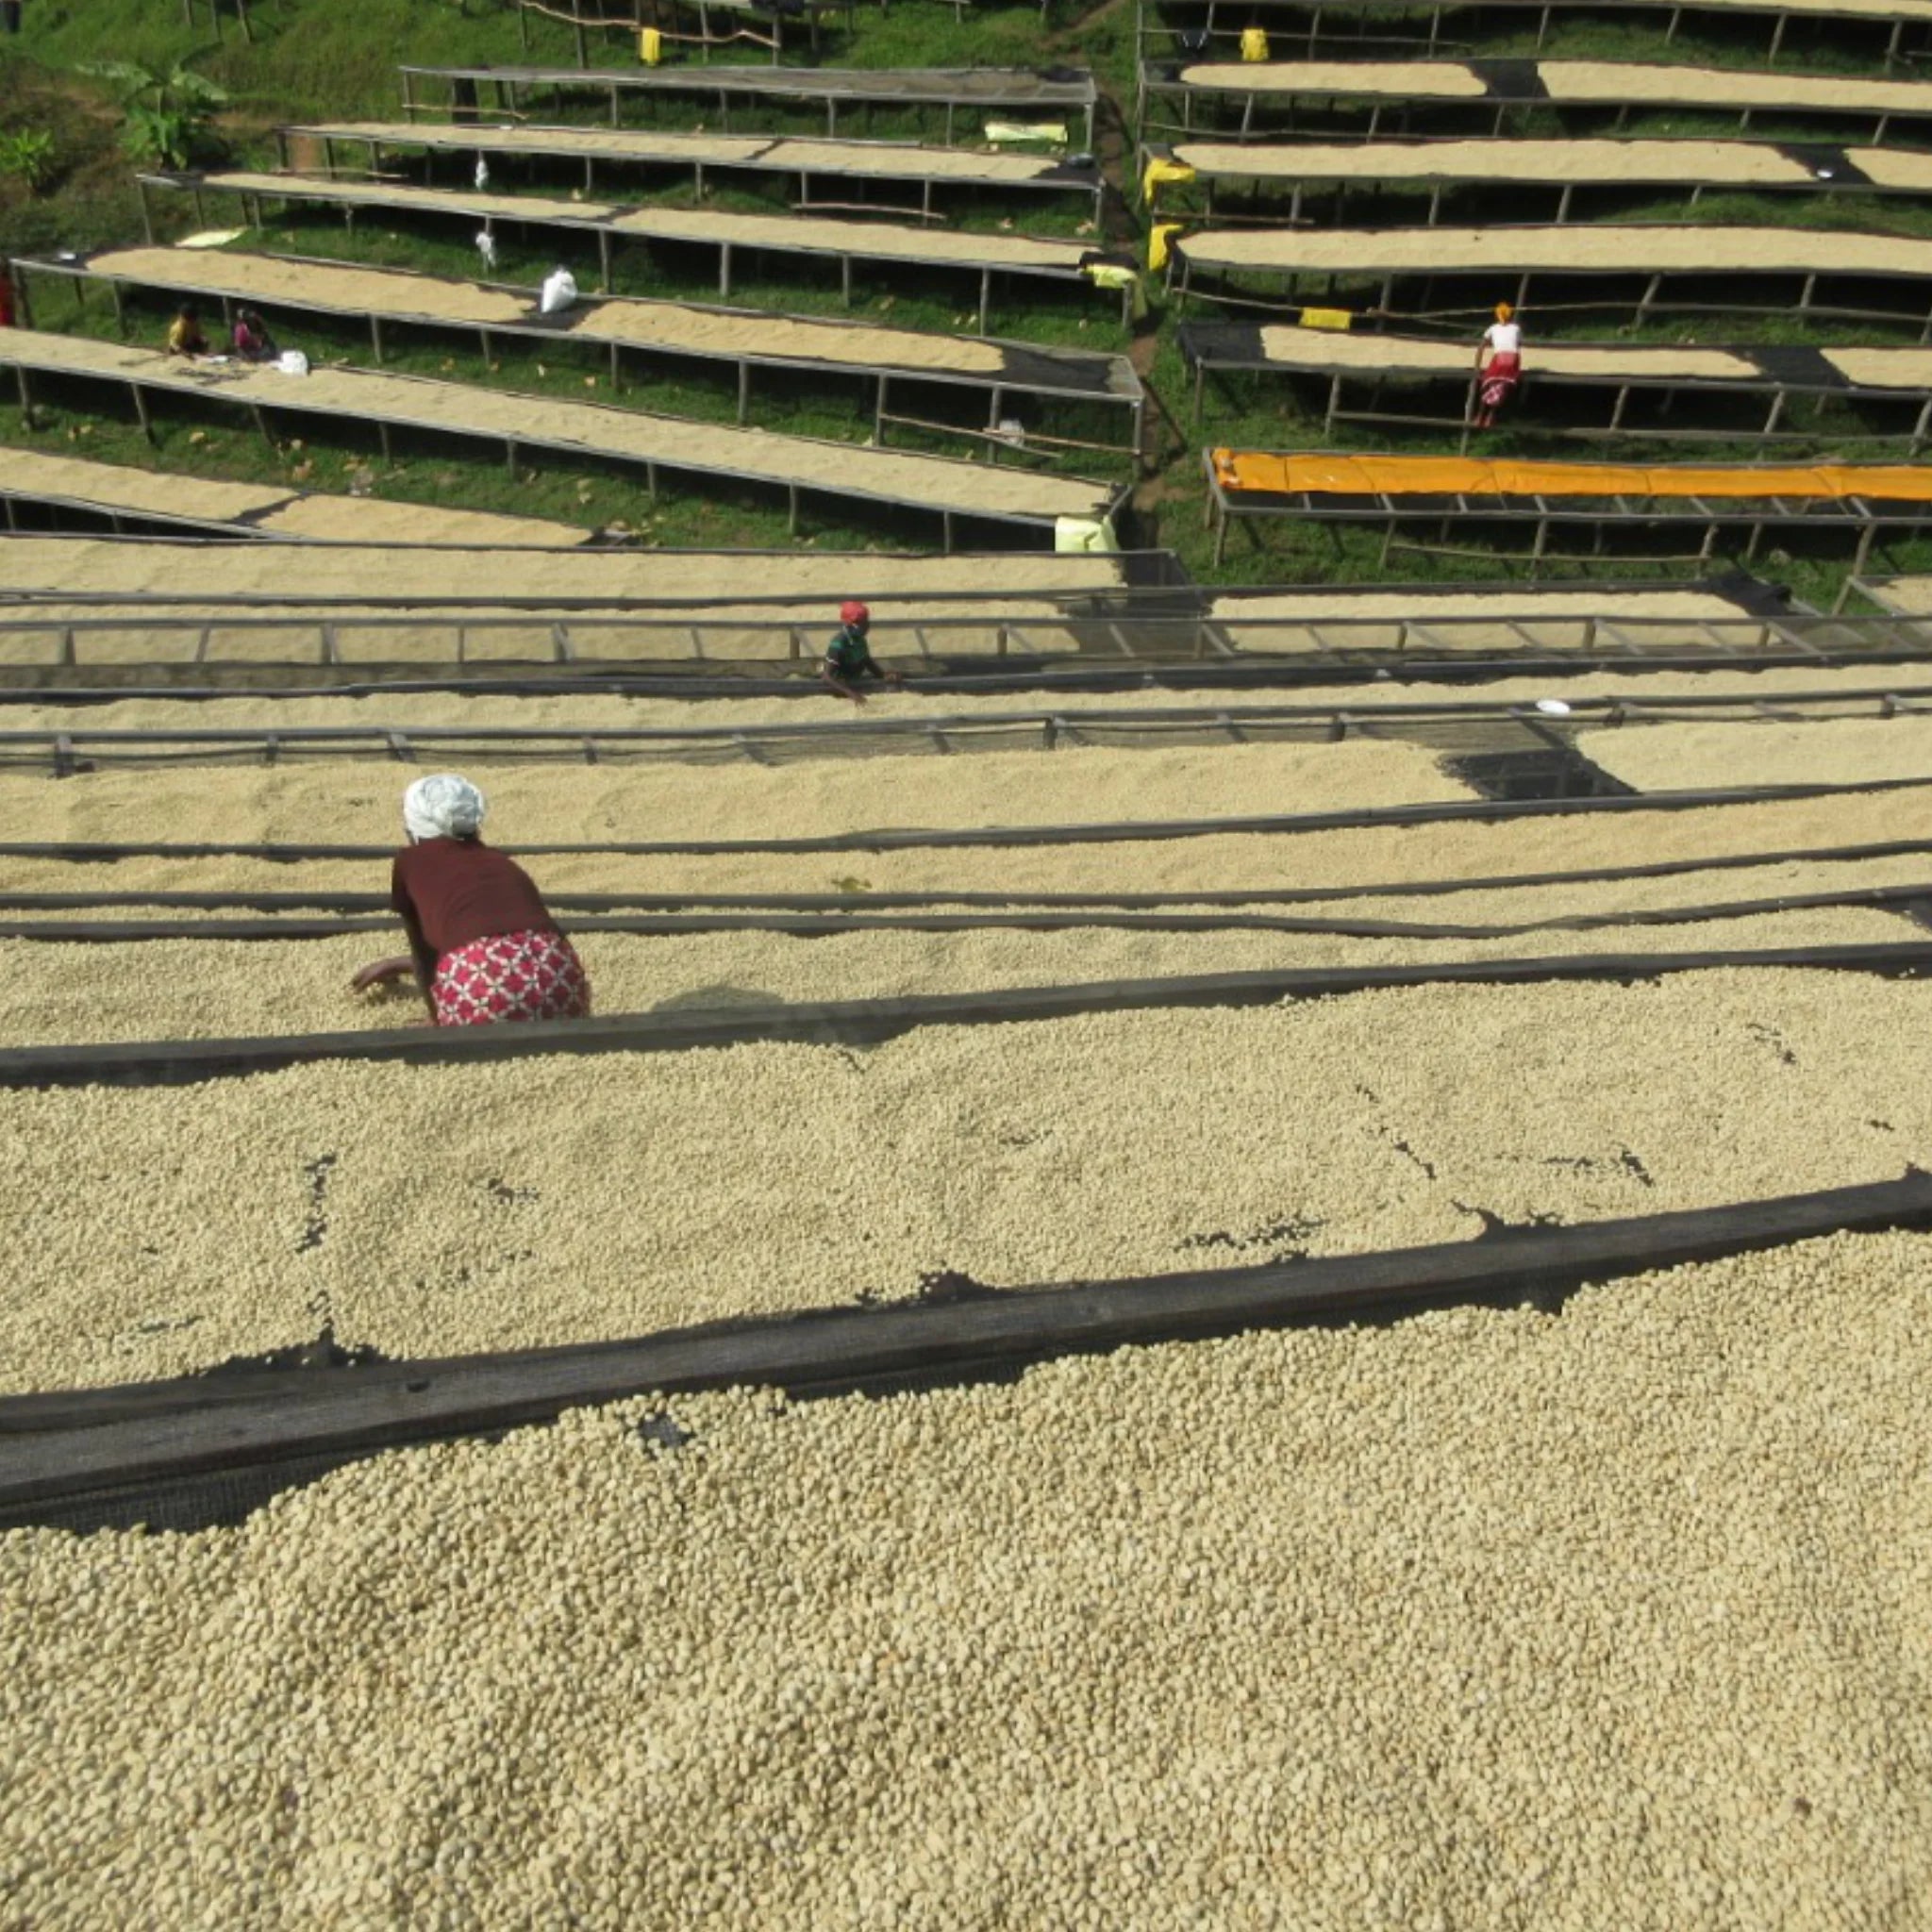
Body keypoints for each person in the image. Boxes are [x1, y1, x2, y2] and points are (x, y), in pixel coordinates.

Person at [351, 774, 592, 1027]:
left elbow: (426, 956)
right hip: (563, 985)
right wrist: (400, 964)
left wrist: (435, 1018)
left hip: (481, 995)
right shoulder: (500, 861)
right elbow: (509, 944)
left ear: (411, 828)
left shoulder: (410, 862)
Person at [821, 600, 903, 706]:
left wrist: (883, 675)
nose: (867, 625)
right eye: (862, 623)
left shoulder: (860, 640)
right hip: (839, 687)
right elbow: (827, 677)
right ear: (852, 625)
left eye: (866, 621)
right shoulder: (838, 644)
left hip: (856, 682)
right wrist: (850, 693)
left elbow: (866, 661)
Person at [1472, 301, 1524, 430]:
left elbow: (1481, 347)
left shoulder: (1492, 328)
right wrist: (1517, 369)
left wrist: (1477, 367)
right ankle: (1491, 415)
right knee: (1501, 387)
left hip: (1501, 357)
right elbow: (1517, 347)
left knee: (1488, 384)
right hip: (1512, 358)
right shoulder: (1516, 328)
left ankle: (1480, 416)